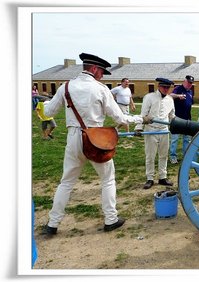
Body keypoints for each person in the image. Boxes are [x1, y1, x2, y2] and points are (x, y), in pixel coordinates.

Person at [42, 53, 150, 235]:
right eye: (101, 71)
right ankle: (110, 219)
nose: (102, 75)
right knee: (108, 180)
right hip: (95, 138)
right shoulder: (100, 89)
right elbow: (120, 117)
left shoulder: (65, 87)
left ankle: (52, 223)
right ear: (93, 69)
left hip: (73, 138)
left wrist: (42, 104)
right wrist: (141, 118)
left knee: (66, 182)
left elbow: (49, 111)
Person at [136, 78, 176, 189]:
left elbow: (172, 116)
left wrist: (176, 125)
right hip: (151, 130)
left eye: (168, 88)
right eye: (164, 87)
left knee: (163, 155)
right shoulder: (149, 97)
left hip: (164, 130)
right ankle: (150, 178)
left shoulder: (170, 100)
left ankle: (163, 177)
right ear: (159, 86)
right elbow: (143, 114)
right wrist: (139, 127)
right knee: (150, 156)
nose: (166, 89)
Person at [169, 75, 194, 164]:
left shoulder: (191, 91)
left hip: (187, 118)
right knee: (174, 139)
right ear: (184, 81)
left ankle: (185, 156)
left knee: (186, 139)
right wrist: (178, 96)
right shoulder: (178, 88)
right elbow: (170, 95)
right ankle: (173, 156)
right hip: (177, 118)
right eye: (188, 82)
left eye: (191, 83)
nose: (190, 84)